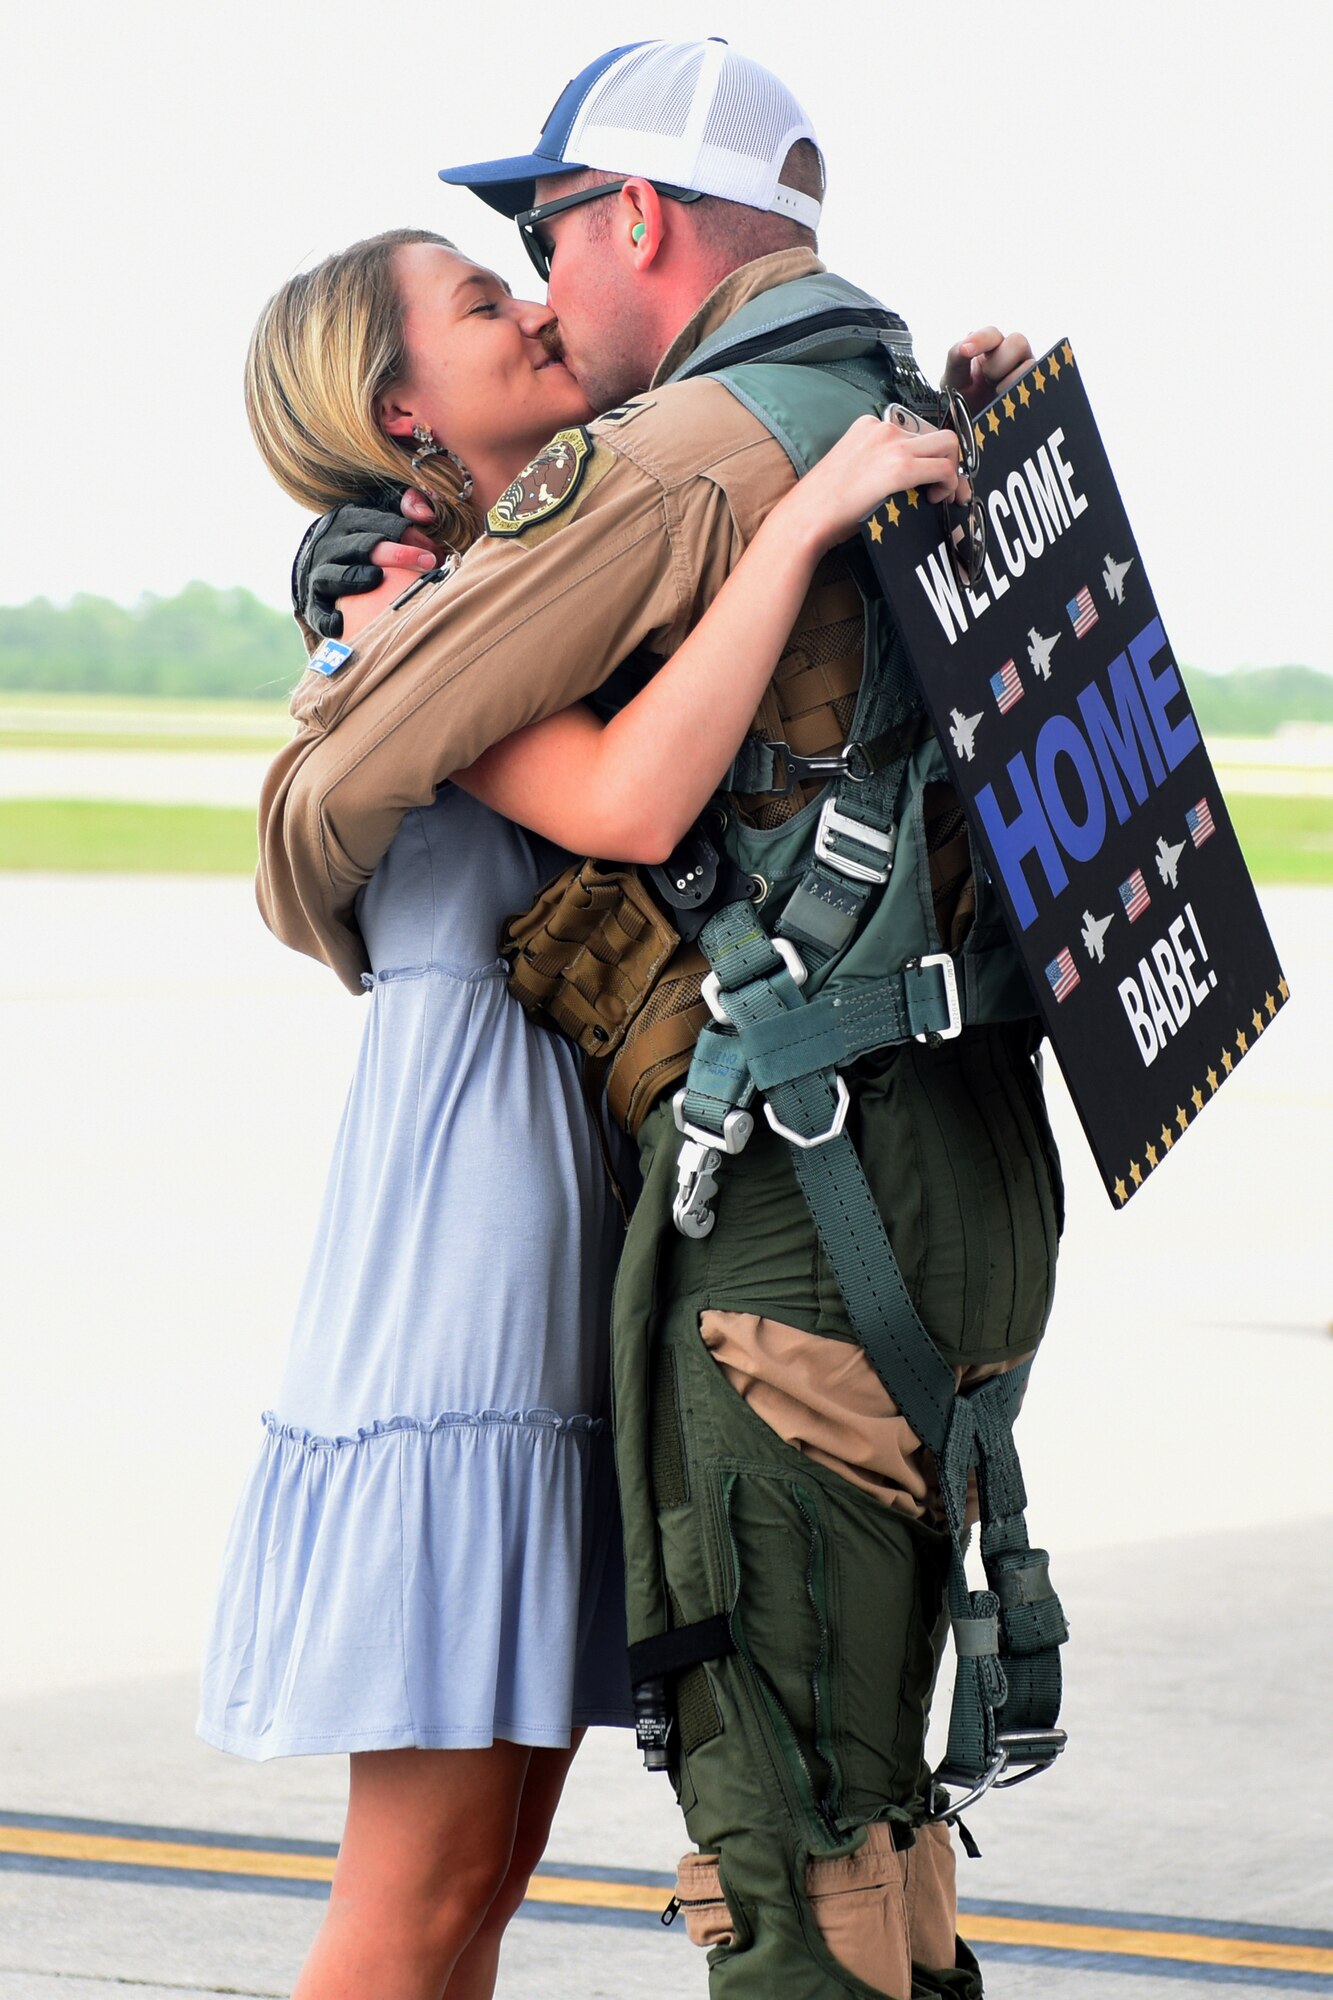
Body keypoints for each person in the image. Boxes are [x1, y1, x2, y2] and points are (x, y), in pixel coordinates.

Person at [255, 40, 1064, 1999]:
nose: (534, 291)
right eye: (487, 292)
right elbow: (369, 822)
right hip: (529, 1235)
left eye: (536, 241)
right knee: (624, 1855)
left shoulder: (668, 466)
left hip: (668, 1216)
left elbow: (355, 822)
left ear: (633, 218)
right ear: (392, 414)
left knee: (764, 1836)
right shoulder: (782, 433)